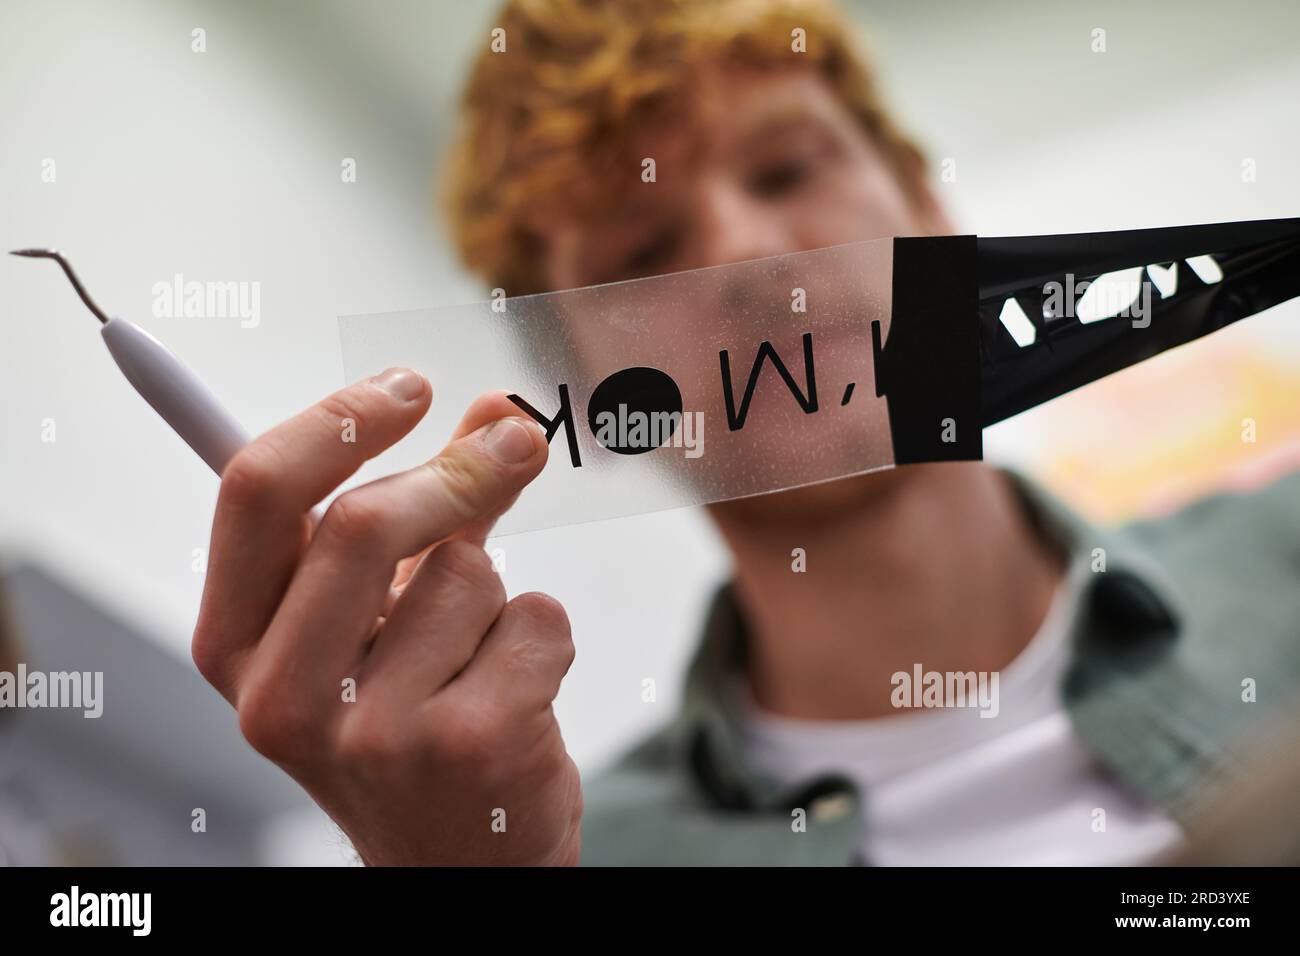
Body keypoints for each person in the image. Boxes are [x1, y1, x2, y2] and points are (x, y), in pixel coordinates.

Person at [190, 0, 1300, 865]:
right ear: (575, 378)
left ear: (924, 201)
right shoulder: (553, 856)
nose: (745, 256)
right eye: (639, 246)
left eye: (784, 168)